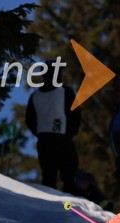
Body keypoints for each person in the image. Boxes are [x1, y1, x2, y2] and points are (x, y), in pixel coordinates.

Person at [25, 60, 81, 193]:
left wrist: (39, 132)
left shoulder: (35, 95)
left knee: (48, 177)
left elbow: (30, 120)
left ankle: (49, 208)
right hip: (62, 138)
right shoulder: (65, 91)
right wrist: (70, 132)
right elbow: (75, 115)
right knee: (69, 176)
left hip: (43, 139)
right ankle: (70, 207)